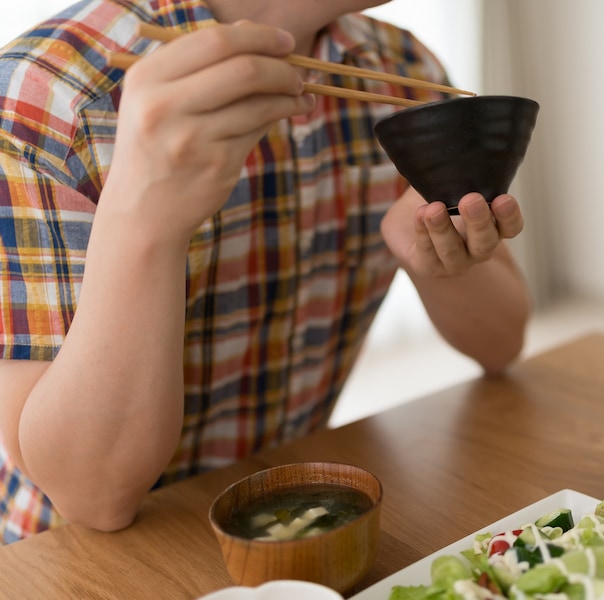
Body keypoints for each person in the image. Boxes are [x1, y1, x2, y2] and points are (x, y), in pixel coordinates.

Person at [0, 0, 531, 544]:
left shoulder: (404, 68)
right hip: (80, 557)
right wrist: (145, 223)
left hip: (291, 516)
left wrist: (430, 251)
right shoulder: (46, 94)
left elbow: (502, 342)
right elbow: (91, 498)